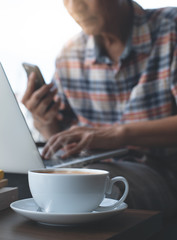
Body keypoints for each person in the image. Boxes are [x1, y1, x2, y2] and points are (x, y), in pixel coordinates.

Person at [22, 0, 177, 218]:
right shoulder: (70, 56)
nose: (74, 6)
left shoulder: (170, 28)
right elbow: (60, 140)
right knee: (23, 181)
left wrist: (118, 134)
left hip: (161, 171)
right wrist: (46, 121)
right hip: (90, 167)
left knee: (87, 189)